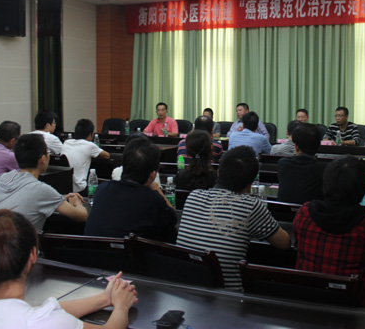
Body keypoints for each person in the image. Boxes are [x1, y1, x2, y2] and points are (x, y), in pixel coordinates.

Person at [0, 209, 137, 329]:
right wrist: (121, 305)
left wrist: (103, 299)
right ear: (33, 254)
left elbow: (41, 310)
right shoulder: (39, 322)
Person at [176, 146, 291, 290]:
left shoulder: (193, 196)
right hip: (228, 297)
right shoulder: (250, 206)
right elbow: (284, 243)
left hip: (184, 289)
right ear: (250, 184)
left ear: (218, 172)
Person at [293, 156, 365, 307]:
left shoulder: (304, 213)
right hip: (356, 305)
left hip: (306, 300)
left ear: (326, 183)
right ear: (363, 188)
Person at [0, 134, 88, 231]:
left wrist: (60, 198)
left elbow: (24, 196)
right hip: (19, 243)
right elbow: (82, 216)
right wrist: (77, 203)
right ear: (43, 159)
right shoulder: (41, 190)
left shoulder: (2, 178)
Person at [84, 139, 177, 241]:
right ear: (153, 174)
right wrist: (156, 188)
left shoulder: (102, 188)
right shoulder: (153, 199)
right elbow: (173, 219)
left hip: (92, 250)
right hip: (130, 251)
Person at [276, 123, 327, 204]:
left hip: (283, 211)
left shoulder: (283, 164)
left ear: (296, 147)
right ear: (318, 146)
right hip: (310, 212)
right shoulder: (325, 168)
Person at [61, 119, 110, 194]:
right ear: (90, 135)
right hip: (79, 189)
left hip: (64, 187)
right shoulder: (89, 145)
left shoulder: (66, 142)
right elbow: (107, 155)